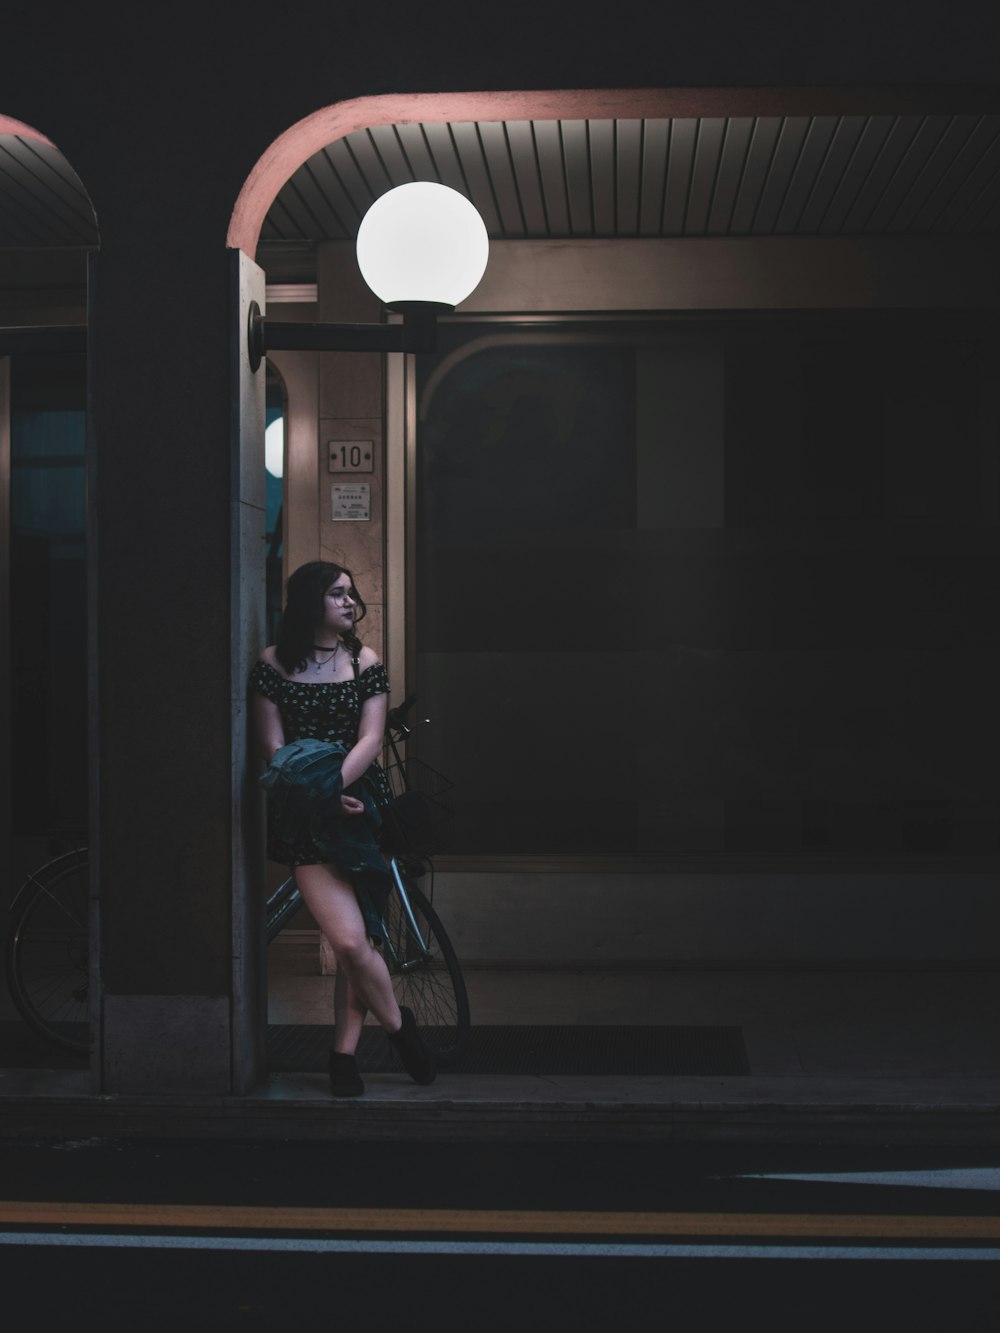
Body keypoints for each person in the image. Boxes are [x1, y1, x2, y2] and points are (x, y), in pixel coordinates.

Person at [249, 560, 436, 1097]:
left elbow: (371, 739)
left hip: (359, 809)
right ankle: (402, 1031)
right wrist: (319, 798)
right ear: (310, 601)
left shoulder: (364, 659)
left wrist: (337, 791)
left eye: (351, 594)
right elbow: (273, 749)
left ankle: (342, 1057)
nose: (350, 602)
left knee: (364, 939)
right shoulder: (271, 664)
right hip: (302, 818)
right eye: (337, 594)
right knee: (350, 942)